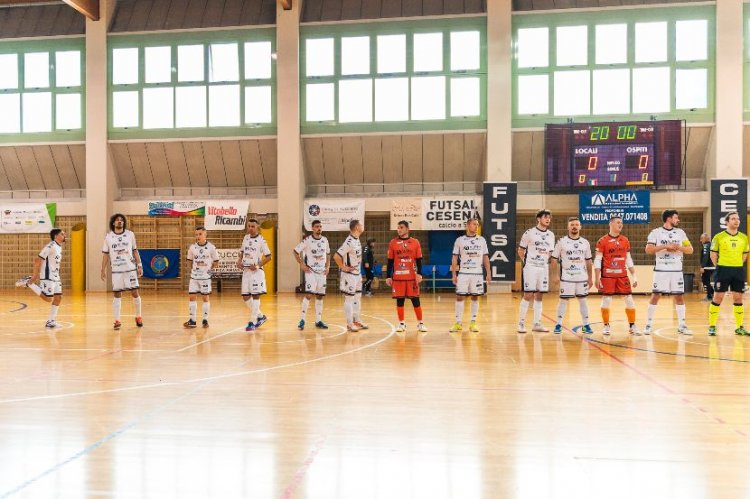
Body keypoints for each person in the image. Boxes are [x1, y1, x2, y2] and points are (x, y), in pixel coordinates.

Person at [644, 210, 694, 335]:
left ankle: (682, 325)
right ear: (668, 219)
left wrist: (678, 247)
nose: (678, 220)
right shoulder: (656, 232)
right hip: (661, 270)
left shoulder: (680, 233)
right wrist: (665, 247)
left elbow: (690, 250)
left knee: (679, 297)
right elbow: (648, 249)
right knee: (656, 296)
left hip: (676, 271)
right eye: (676, 217)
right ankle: (648, 325)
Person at [594, 216, 639, 335]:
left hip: (622, 275)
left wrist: (634, 275)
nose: (621, 224)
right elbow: (597, 260)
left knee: (629, 300)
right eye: (618, 222)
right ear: (611, 224)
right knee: (606, 300)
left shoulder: (625, 240)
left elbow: (628, 259)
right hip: (607, 276)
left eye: (622, 223)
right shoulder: (602, 241)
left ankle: (632, 325)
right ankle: (606, 325)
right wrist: (597, 277)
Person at [708, 212, 749, 336]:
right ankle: (712, 326)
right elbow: (713, 254)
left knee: (738, 298)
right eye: (733, 219)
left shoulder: (743, 237)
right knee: (718, 297)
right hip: (723, 270)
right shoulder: (719, 237)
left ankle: (739, 327)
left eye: (738, 219)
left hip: (738, 270)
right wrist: (720, 267)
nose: (736, 221)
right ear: (727, 222)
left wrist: (737, 264)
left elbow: (745, 254)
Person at [16, 228, 67, 328]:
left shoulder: (59, 247)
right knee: (48, 299)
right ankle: (29, 282)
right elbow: (37, 260)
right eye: (62, 234)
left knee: (58, 298)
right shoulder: (50, 246)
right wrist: (35, 276)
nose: (64, 235)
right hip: (48, 275)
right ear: (56, 236)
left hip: (56, 276)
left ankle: (51, 321)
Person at [101, 214, 144, 330]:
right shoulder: (108, 237)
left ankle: (138, 316)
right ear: (113, 223)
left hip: (130, 269)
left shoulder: (130, 234)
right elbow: (105, 254)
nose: (120, 222)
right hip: (116, 270)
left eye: (121, 220)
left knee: (135, 292)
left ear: (123, 223)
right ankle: (117, 320)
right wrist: (103, 269)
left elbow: (135, 251)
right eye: (117, 220)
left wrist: (139, 265)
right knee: (117, 294)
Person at [551, 217, 593, 334]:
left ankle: (586, 325)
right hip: (567, 278)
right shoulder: (561, 242)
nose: (574, 226)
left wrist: (590, 278)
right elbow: (554, 259)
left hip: (582, 278)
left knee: (583, 300)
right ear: (568, 227)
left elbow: (589, 261)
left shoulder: (585, 243)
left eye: (576, 224)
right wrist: (555, 276)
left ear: (580, 227)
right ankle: (558, 324)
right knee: (563, 300)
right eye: (572, 225)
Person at [450, 217, 491, 333]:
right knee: (459, 297)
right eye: (474, 224)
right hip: (463, 273)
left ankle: (473, 322)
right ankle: (458, 323)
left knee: (475, 296)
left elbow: (485, 257)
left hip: (477, 273)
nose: (476, 226)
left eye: (477, 224)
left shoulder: (482, 240)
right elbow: (454, 258)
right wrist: (454, 274)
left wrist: (488, 273)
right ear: (468, 225)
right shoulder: (459, 240)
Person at [517, 209, 555, 333]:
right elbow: (521, 251)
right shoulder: (529, 233)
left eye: (549, 217)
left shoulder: (551, 235)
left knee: (540, 295)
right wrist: (527, 263)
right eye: (545, 217)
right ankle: (521, 323)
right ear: (538, 219)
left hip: (543, 268)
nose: (548, 219)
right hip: (530, 267)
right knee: (528, 295)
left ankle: (537, 324)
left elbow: (550, 252)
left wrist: (542, 261)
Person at [386, 220, 427, 333]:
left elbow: (419, 260)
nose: (399, 229)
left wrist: (420, 274)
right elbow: (390, 261)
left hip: (411, 277)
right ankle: (402, 323)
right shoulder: (393, 243)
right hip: (398, 278)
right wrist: (388, 276)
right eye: (398, 227)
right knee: (400, 301)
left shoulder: (415, 242)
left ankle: (420, 323)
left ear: (407, 229)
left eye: (401, 227)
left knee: (416, 300)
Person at [294, 219, 330, 330]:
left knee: (320, 296)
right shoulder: (308, 240)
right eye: (317, 226)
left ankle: (318, 320)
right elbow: (295, 251)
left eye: (320, 226)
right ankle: (302, 319)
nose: (319, 228)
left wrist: (327, 266)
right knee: (309, 294)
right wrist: (302, 264)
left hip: (322, 272)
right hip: (311, 271)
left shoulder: (325, 240)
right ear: (313, 228)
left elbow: (328, 254)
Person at [236, 219, 272, 332]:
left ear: (257, 227)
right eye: (249, 226)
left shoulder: (262, 240)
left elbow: (268, 257)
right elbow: (242, 251)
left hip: (256, 272)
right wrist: (239, 261)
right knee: (245, 297)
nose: (250, 228)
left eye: (253, 226)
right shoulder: (246, 238)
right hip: (246, 271)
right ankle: (261, 316)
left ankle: (252, 321)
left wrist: (257, 266)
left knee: (256, 295)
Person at [334, 219, 368, 332]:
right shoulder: (349, 242)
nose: (363, 226)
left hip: (357, 274)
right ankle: (349, 324)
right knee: (349, 299)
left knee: (357, 297)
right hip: (349, 275)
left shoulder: (357, 239)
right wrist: (343, 267)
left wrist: (359, 273)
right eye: (361, 225)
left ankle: (356, 320)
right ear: (357, 227)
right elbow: (336, 256)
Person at [183, 226, 219, 328]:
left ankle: (205, 320)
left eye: (200, 234)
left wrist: (210, 270)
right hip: (194, 277)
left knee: (205, 298)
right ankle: (192, 320)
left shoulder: (211, 247)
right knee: (191, 297)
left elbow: (216, 261)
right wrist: (193, 270)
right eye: (196, 234)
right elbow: (189, 261)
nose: (198, 236)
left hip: (205, 278)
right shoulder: (192, 247)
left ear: (205, 235)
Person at [699, 233, 715, 302]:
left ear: (705, 238)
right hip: (713, 266)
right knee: (707, 281)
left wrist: (703, 266)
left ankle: (709, 296)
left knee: (705, 281)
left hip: (707, 267)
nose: (700, 240)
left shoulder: (706, 246)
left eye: (701, 238)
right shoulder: (712, 245)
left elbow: (705, 257)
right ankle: (713, 293)